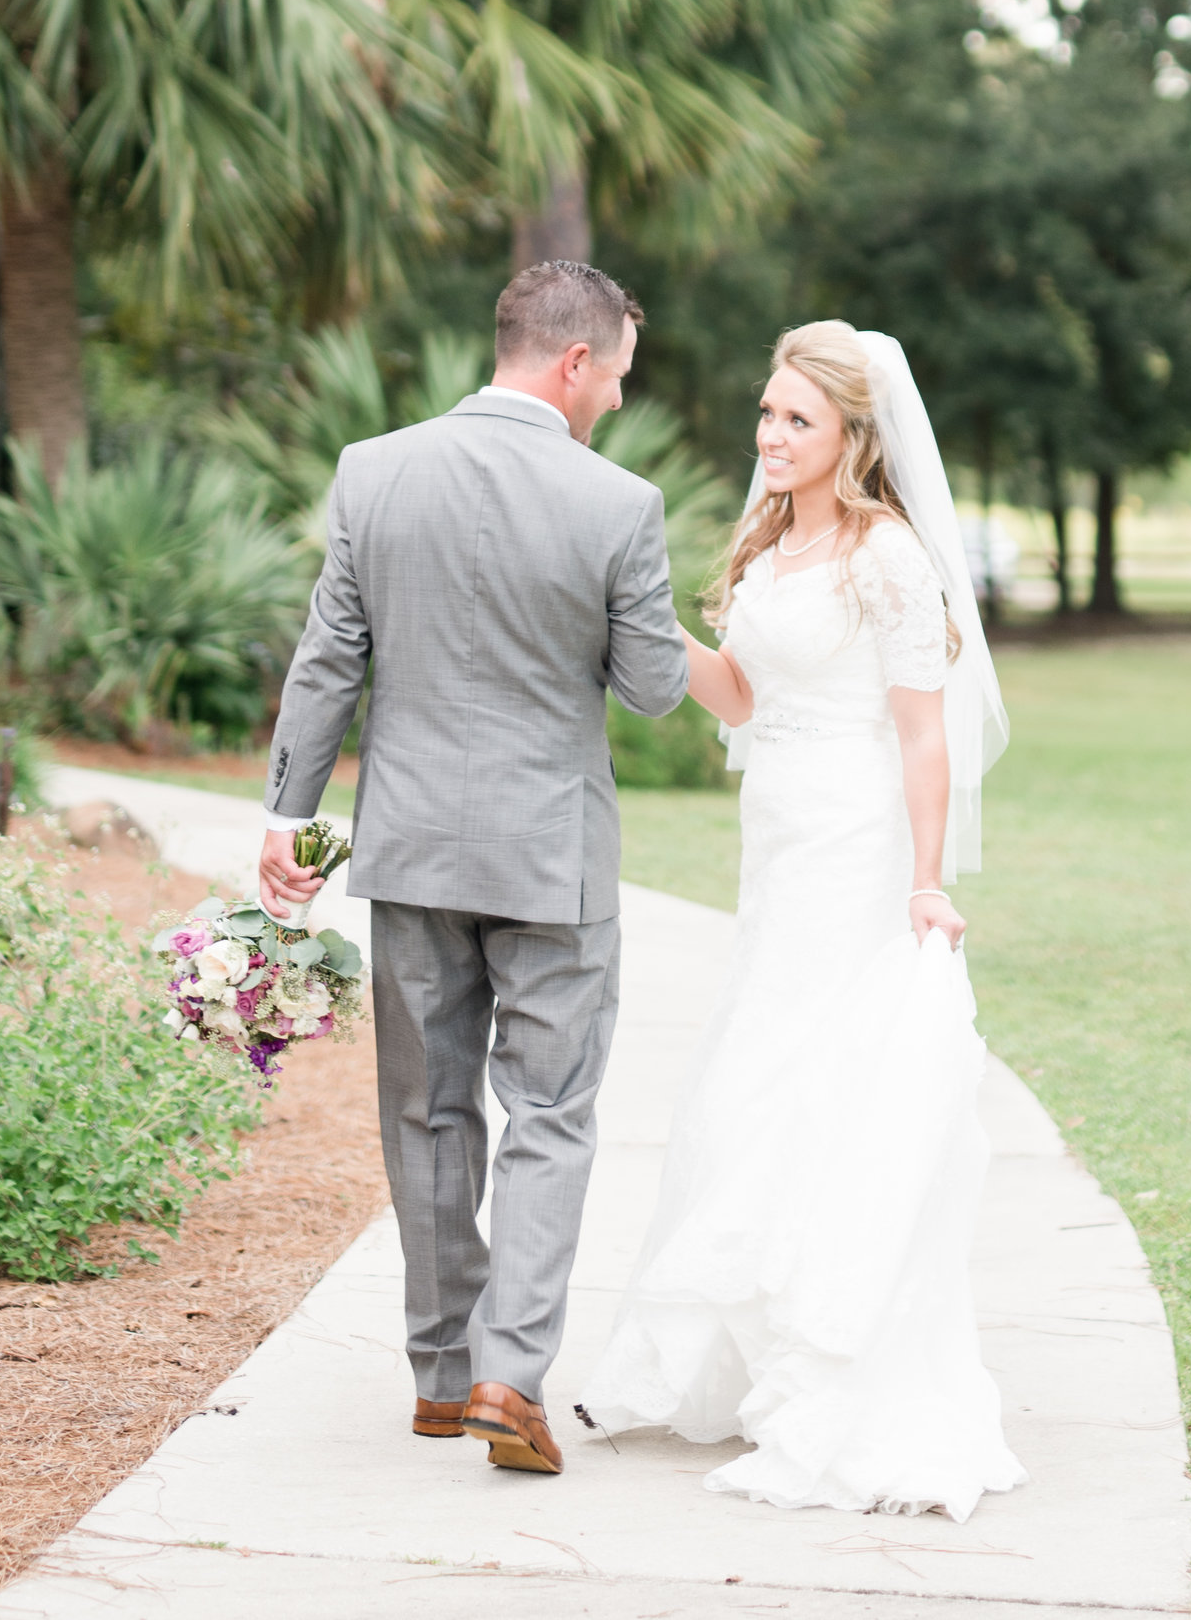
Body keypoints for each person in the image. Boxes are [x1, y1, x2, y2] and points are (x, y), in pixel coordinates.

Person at [578, 323, 1024, 1522]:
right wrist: (642, 615)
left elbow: (923, 732)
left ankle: (828, 1360)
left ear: (853, 438)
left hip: (853, 840)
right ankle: (753, 1347)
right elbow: (737, 692)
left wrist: (925, 879)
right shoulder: (771, 544)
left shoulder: (885, 557)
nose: (771, 438)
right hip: (775, 842)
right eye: (767, 414)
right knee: (753, 1069)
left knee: (813, 1074)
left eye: (797, 422)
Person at [259, 259, 690, 1479]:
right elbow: (656, 689)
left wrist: (291, 816)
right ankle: (512, 1373)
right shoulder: (620, 503)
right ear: (571, 362)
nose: (612, 398)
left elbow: (326, 660)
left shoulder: (372, 470)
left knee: (427, 1108)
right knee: (549, 1113)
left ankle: (443, 1377)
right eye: (613, 375)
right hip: (552, 859)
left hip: (409, 847)